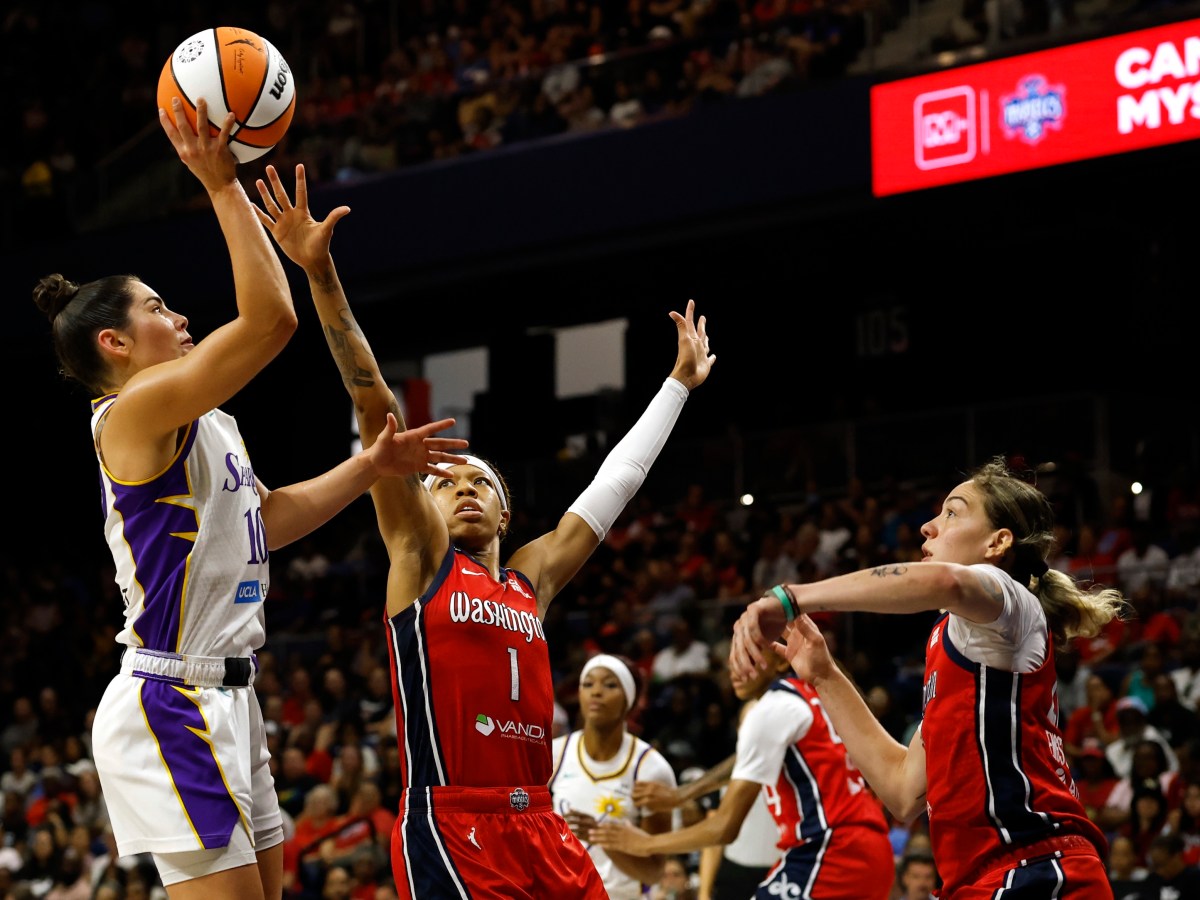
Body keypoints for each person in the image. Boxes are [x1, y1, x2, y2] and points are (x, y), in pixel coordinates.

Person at [32, 99, 469, 900]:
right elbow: (272, 321)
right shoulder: (129, 416)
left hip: (231, 696)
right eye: (158, 307)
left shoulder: (209, 422)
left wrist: (372, 466)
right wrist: (219, 182)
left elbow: (267, 522)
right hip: (171, 696)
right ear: (114, 344)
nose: (181, 313)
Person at [254, 164, 714, 899]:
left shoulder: (531, 578)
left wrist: (676, 388)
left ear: (506, 514)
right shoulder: (420, 555)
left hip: (541, 823)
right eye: (446, 483)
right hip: (453, 823)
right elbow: (374, 405)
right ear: (423, 507)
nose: (463, 488)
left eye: (481, 484)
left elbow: (612, 488)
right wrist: (320, 274)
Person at [731, 456, 1129, 899]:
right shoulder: (958, 645)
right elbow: (902, 789)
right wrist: (824, 676)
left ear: (997, 543)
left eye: (953, 512)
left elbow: (946, 582)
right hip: (982, 878)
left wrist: (794, 597)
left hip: (1035, 868)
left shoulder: (1013, 602)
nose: (928, 526)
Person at [590, 644, 894, 900]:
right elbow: (746, 759)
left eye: (748, 655)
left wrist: (642, 843)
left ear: (778, 658)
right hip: (865, 850)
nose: (734, 666)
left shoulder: (772, 707)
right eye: (733, 656)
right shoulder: (809, 695)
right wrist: (681, 795)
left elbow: (723, 829)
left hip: (833, 852)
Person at [549, 653, 677, 898]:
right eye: (588, 684)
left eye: (609, 684)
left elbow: (652, 873)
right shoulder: (555, 755)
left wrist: (602, 838)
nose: (596, 692)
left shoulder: (651, 769)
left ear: (629, 699)